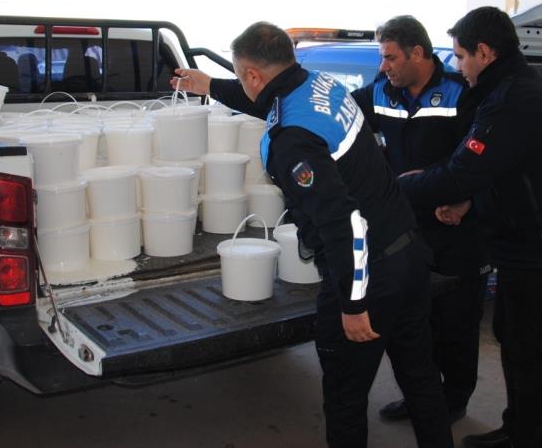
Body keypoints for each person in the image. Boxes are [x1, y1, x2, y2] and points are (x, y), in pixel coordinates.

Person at [172, 22, 453, 448]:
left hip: (369, 273)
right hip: (409, 254)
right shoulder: (318, 85)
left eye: (243, 75)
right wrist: (210, 85)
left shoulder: (291, 142)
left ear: (253, 75)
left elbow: (343, 224)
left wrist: (353, 303)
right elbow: (269, 100)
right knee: (421, 380)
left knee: (345, 398)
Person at [396, 7, 542, 448]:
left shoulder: (512, 99)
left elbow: (462, 170)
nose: (456, 66)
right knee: (514, 336)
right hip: (538, 237)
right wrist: (470, 200)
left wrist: (398, 191)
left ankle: (527, 440)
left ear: (484, 52)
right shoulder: (522, 86)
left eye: (460, 56)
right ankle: (518, 428)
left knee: (528, 349)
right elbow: (509, 166)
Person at [349, 15, 490, 425]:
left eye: (390, 57)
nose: (384, 67)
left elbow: (489, 160)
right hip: (405, 230)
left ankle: (455, 398)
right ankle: (421, 396)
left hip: (455, 225)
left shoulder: (461, 94)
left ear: (418, 53)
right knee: (415, 322)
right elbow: (339, 114)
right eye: (382, 58)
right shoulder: (381, 93)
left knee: (457, 321)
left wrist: (467, 201)